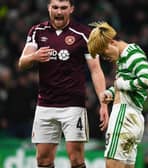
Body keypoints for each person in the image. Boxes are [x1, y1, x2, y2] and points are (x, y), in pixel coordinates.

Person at [18, 1, 109, 168]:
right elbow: (22, 63)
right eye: (55, 7)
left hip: (73, 105)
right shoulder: (37, 31)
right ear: (49, 8)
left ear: (71, 9)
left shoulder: (84, 34)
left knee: (76, 159)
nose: (58, 11)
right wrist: (34, 57)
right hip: (45, 104)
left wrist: (103, 103)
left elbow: (96, 70)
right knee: (43, 160)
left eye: (63, 8)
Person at [87, 22, 148, 168]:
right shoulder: (123, 58)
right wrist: (110, 92)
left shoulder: (132, 53)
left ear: (111, 42)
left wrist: (119, 85)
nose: (106, 58)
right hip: (132, 116)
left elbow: (146, 80)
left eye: (104, 53)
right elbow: (127, 83)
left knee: (111, 164)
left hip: (124, 116)